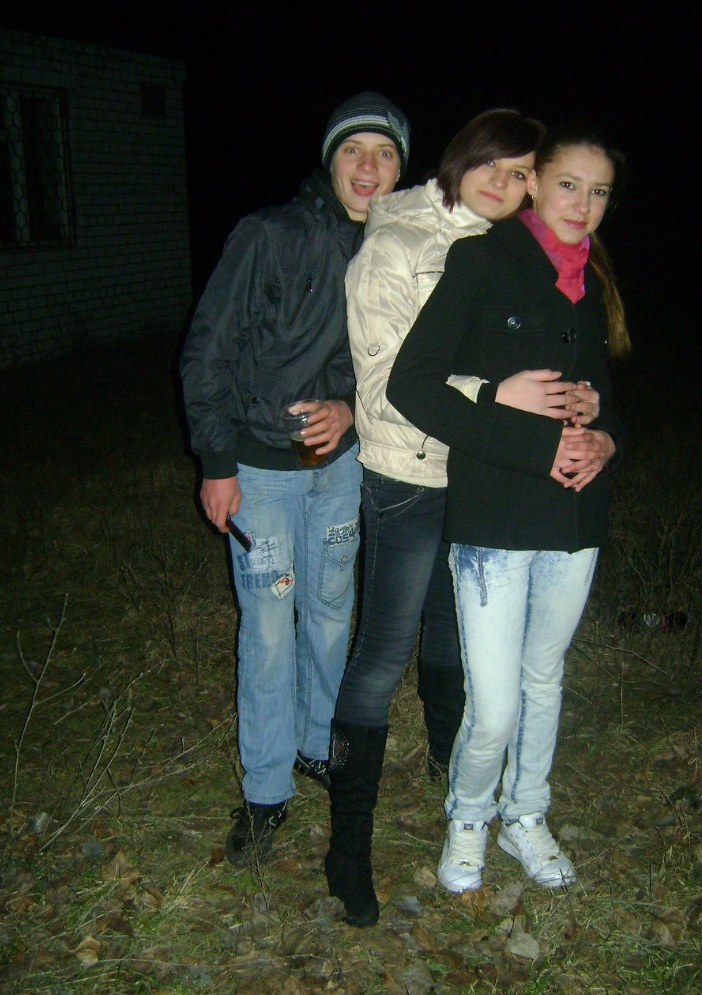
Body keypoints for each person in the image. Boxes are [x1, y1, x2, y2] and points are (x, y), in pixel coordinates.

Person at [324, 110, 602, 927]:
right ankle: (349, 845)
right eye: (492, 165)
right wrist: (495, 395)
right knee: (384, 653)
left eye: (520, 173)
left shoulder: (516, 251)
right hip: (412, 476)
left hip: (481, 477)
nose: (503, 185)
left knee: (454, 647)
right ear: (459, 160)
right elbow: (389, 385)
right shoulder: (398, 245)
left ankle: (460, 791)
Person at [387, 124, 629, 895]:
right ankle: (468, 816)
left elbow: (605, 394)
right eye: (568, 184)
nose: (582, 204)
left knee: (544, 680)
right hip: (494, 517)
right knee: (493, 707)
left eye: (599, 192)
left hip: (574, 518)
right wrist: (524, 438)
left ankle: (526, 813)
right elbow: (410, 384)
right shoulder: (483, 260)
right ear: (535, 185)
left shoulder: (593, 278)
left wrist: (606, 437)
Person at [179, 92, 411, 867]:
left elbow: (391, 367)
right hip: (262, 475)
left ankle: (317, 745)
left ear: (400, 171)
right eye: (354, 150)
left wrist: (348, 408)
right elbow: (206, 351)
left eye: (385, 154)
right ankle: (266, 790)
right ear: (330, 160)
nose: (369, 167)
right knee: (271, 630)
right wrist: (217, 464)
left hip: (337, 471)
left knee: (332, 614)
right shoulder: (269, 235)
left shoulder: (390, 255)